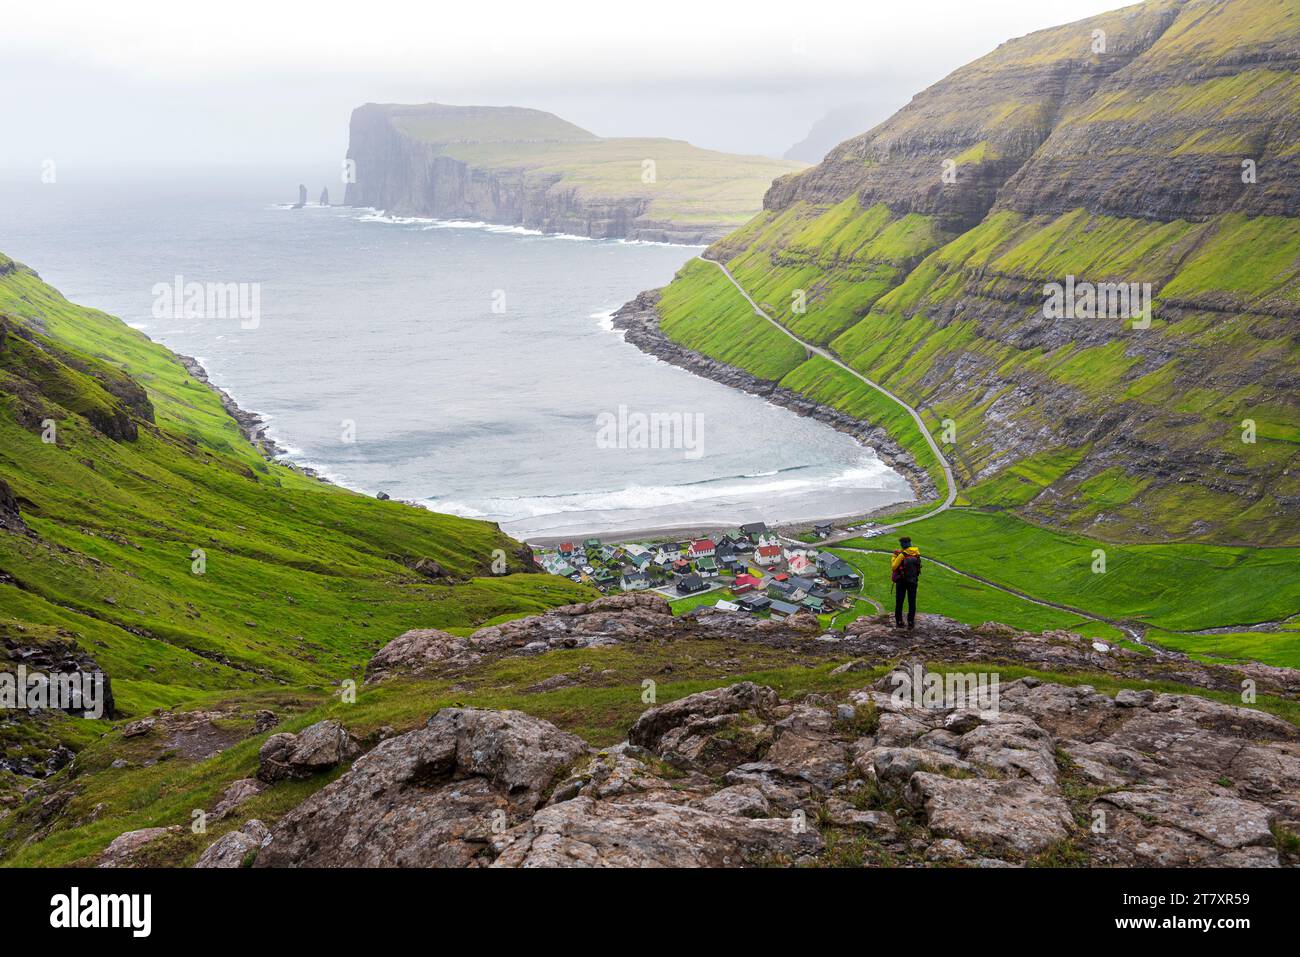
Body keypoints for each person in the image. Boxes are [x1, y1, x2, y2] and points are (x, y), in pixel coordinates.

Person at [890, 536, 922, 629]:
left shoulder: (902, 555)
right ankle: (911, 622)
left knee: (899, 602)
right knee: (912, 602)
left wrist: (894, 556)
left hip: (902, 581)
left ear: (902, 545)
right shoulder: (916, 553)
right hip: (913, 581)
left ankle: (899, 621)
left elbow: (893, 567)